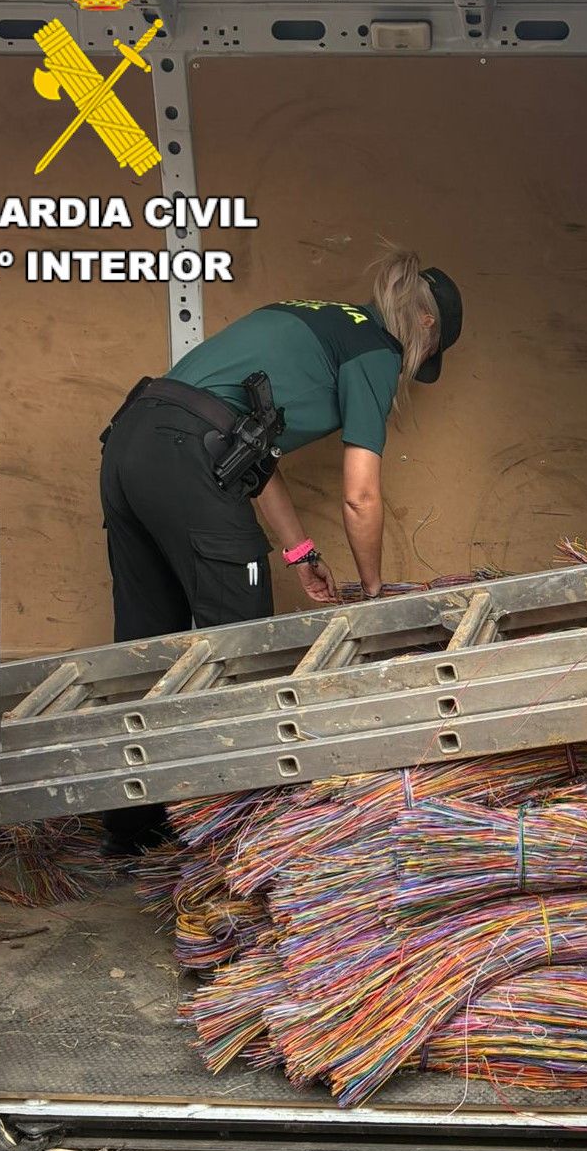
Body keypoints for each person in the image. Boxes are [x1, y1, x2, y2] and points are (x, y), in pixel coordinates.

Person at [96, 245, 461, 848]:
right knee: (243, 647)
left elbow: (249, 456)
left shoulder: (318, 319)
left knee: (147, 639)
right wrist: (371, 595)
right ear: (426, 326)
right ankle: (229, 841)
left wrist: (299, 555)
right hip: (190, 453)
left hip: (133, 443)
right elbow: (361, 496)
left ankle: (134, 831)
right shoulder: (374, 349)